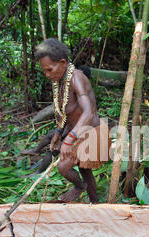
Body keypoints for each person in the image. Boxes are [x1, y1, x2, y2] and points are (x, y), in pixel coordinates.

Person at [34, 38, 110, 203]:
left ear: (62, 62)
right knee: (84, 170)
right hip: (78, 131)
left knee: (63, 166)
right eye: (44, 71)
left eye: (49, 69)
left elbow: (88, 111)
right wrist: (59, 133)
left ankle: (79, 187)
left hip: (91, 131)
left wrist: (69, 139)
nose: (47, 74)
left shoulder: (76, 78)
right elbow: (67, 112)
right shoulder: (61, 80)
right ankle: (95, 203)